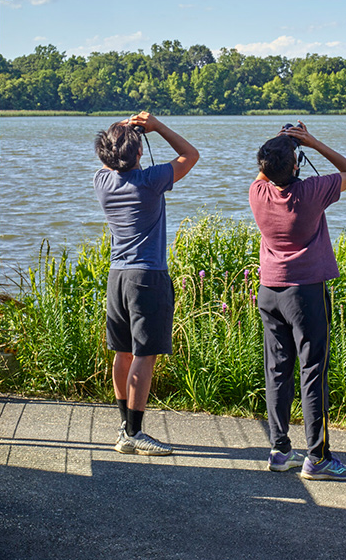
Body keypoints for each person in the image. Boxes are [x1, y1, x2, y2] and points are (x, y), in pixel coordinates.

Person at [250, 122, 346, 481]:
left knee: (277, 370)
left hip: (269, 291)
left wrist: (280, 145)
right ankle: (318, 456)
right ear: (296, 165)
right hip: (306, 292)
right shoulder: (312, 191)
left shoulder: (257, 192)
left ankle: (280, 449)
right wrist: (310, 141)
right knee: (313, 372)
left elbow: (267, 171)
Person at [93, 111, 198, 456]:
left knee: (123, 352)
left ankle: (125, 427)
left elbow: (112, 162)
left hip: (117, 277)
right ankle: (136, 433)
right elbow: (190, 155)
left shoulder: (102, 182)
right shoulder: (151, 180)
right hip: (147, 276)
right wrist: (157, 127)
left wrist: (121, 132)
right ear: (138, 154)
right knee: (145, 353)